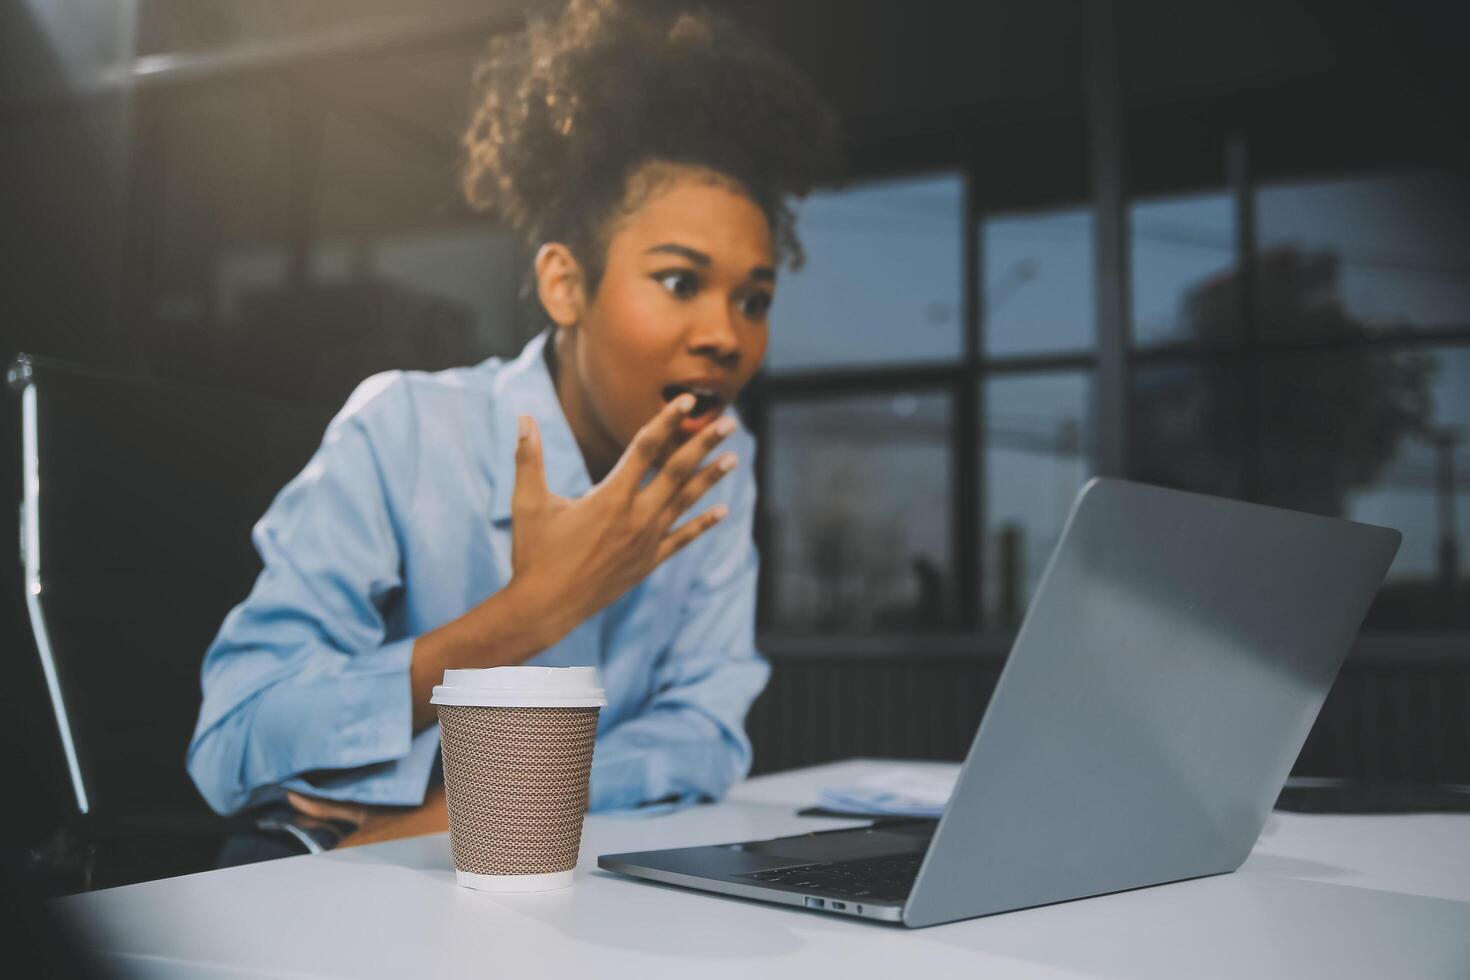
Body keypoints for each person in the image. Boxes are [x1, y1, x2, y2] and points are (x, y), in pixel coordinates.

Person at [186, 0, 836, 834]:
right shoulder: (409, 431)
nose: (725, 336)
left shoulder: (718, 461)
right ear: (566, 286)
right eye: (679, 281)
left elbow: (705, 734)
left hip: (546, 881)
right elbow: (233, 738)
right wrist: (526, 615)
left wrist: (458, 809)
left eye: (754, 299)